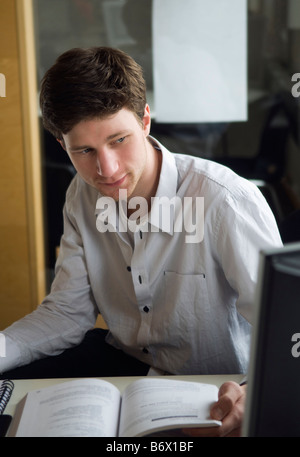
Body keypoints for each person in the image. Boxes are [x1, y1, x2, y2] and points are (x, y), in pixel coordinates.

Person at [0, 47, 282, 436]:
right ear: (62, 145)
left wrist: (253, 392)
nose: (107, 169)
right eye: (85, 150)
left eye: (119, 140)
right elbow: (67, 314)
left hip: (213, 383)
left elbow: (287, 330)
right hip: (125, 363)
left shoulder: (223, 199)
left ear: (145, 120)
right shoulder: (80, 195)